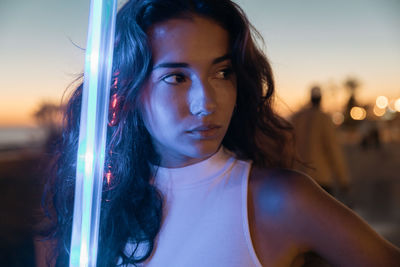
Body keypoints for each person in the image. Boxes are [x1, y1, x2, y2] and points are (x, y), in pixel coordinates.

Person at [39, 0, 400, 266]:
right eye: (176, 77)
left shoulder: (278, 200)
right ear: (128, 90)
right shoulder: (95, 202)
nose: (206, 103)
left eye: (222, 73)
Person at [291, 86, 350, 195]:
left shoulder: (297, 118)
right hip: (321, 179)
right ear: (320, 99)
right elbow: (332, 149)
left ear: (310, 98)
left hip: (299, 178)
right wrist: (343, 179)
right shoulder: (324, 119)